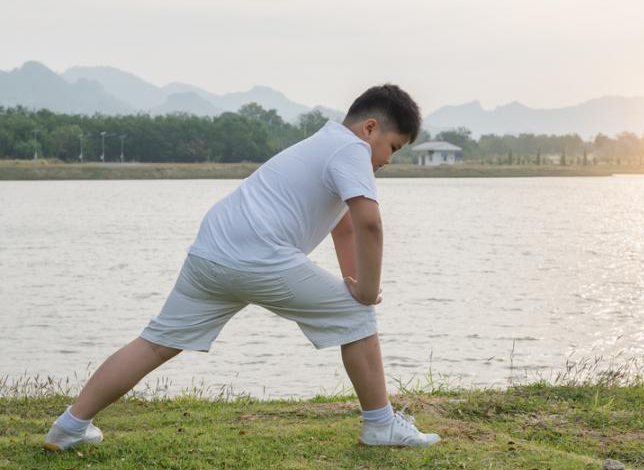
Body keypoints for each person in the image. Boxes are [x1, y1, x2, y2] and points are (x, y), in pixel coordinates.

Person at [43, 84, 440, 450]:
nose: (388, 160)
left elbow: (346, 229)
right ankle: (379, 424)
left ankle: (70, 426)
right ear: (370, 128)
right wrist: (366, 293)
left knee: (156, 342)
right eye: (394, 147)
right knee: (358, 316)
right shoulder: (350, 150)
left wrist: (353, 281)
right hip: (258, 253)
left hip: (212, 249)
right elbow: (369, 222)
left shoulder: (322, 145)